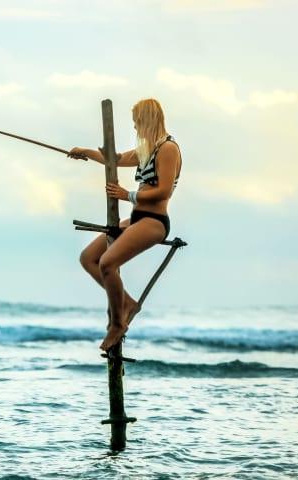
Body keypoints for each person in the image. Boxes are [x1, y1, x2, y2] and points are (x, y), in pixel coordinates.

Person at [67, 98, 182, 351]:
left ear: (147, 120)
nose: (135, 129)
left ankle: (118, 323)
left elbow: (163, 192)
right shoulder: (147, 150)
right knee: (89, 258)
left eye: (136, 123)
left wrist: (126, 195)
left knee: (108, 263)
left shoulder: (168, 149)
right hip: (137, 218)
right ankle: (127, 303)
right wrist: (84, 152)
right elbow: (115, 159)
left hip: (154, 222)